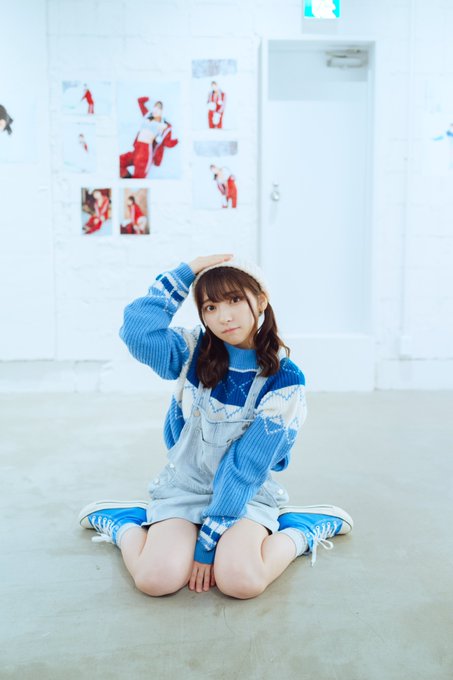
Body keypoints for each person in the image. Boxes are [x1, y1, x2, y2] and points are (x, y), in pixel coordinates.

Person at [78, 254, 353, 599]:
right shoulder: (192, 351)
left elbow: (246, 465)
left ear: (261, 301)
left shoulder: (285, 380)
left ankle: (300, 531)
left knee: (241, 582)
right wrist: (187, 272)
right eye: (210, 306)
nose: (223, 316)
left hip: (246, 494)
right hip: (185, 487)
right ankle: (124, 525)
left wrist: (207, 543)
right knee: (155, 580)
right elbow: (137, 331)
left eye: (235, 300)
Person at [119, 98, 178, 179]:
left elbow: (167, 142)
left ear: (163, 111)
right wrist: (148, 99)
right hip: (137, 149)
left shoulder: (164, 125)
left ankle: (133, 183)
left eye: (159, 108)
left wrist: (178, 140)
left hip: (145, 152)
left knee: (139, 177)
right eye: (155, 106)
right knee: (118, 162)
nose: (156, 109)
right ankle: (128, 180)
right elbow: (140, 102)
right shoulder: (148, 116)